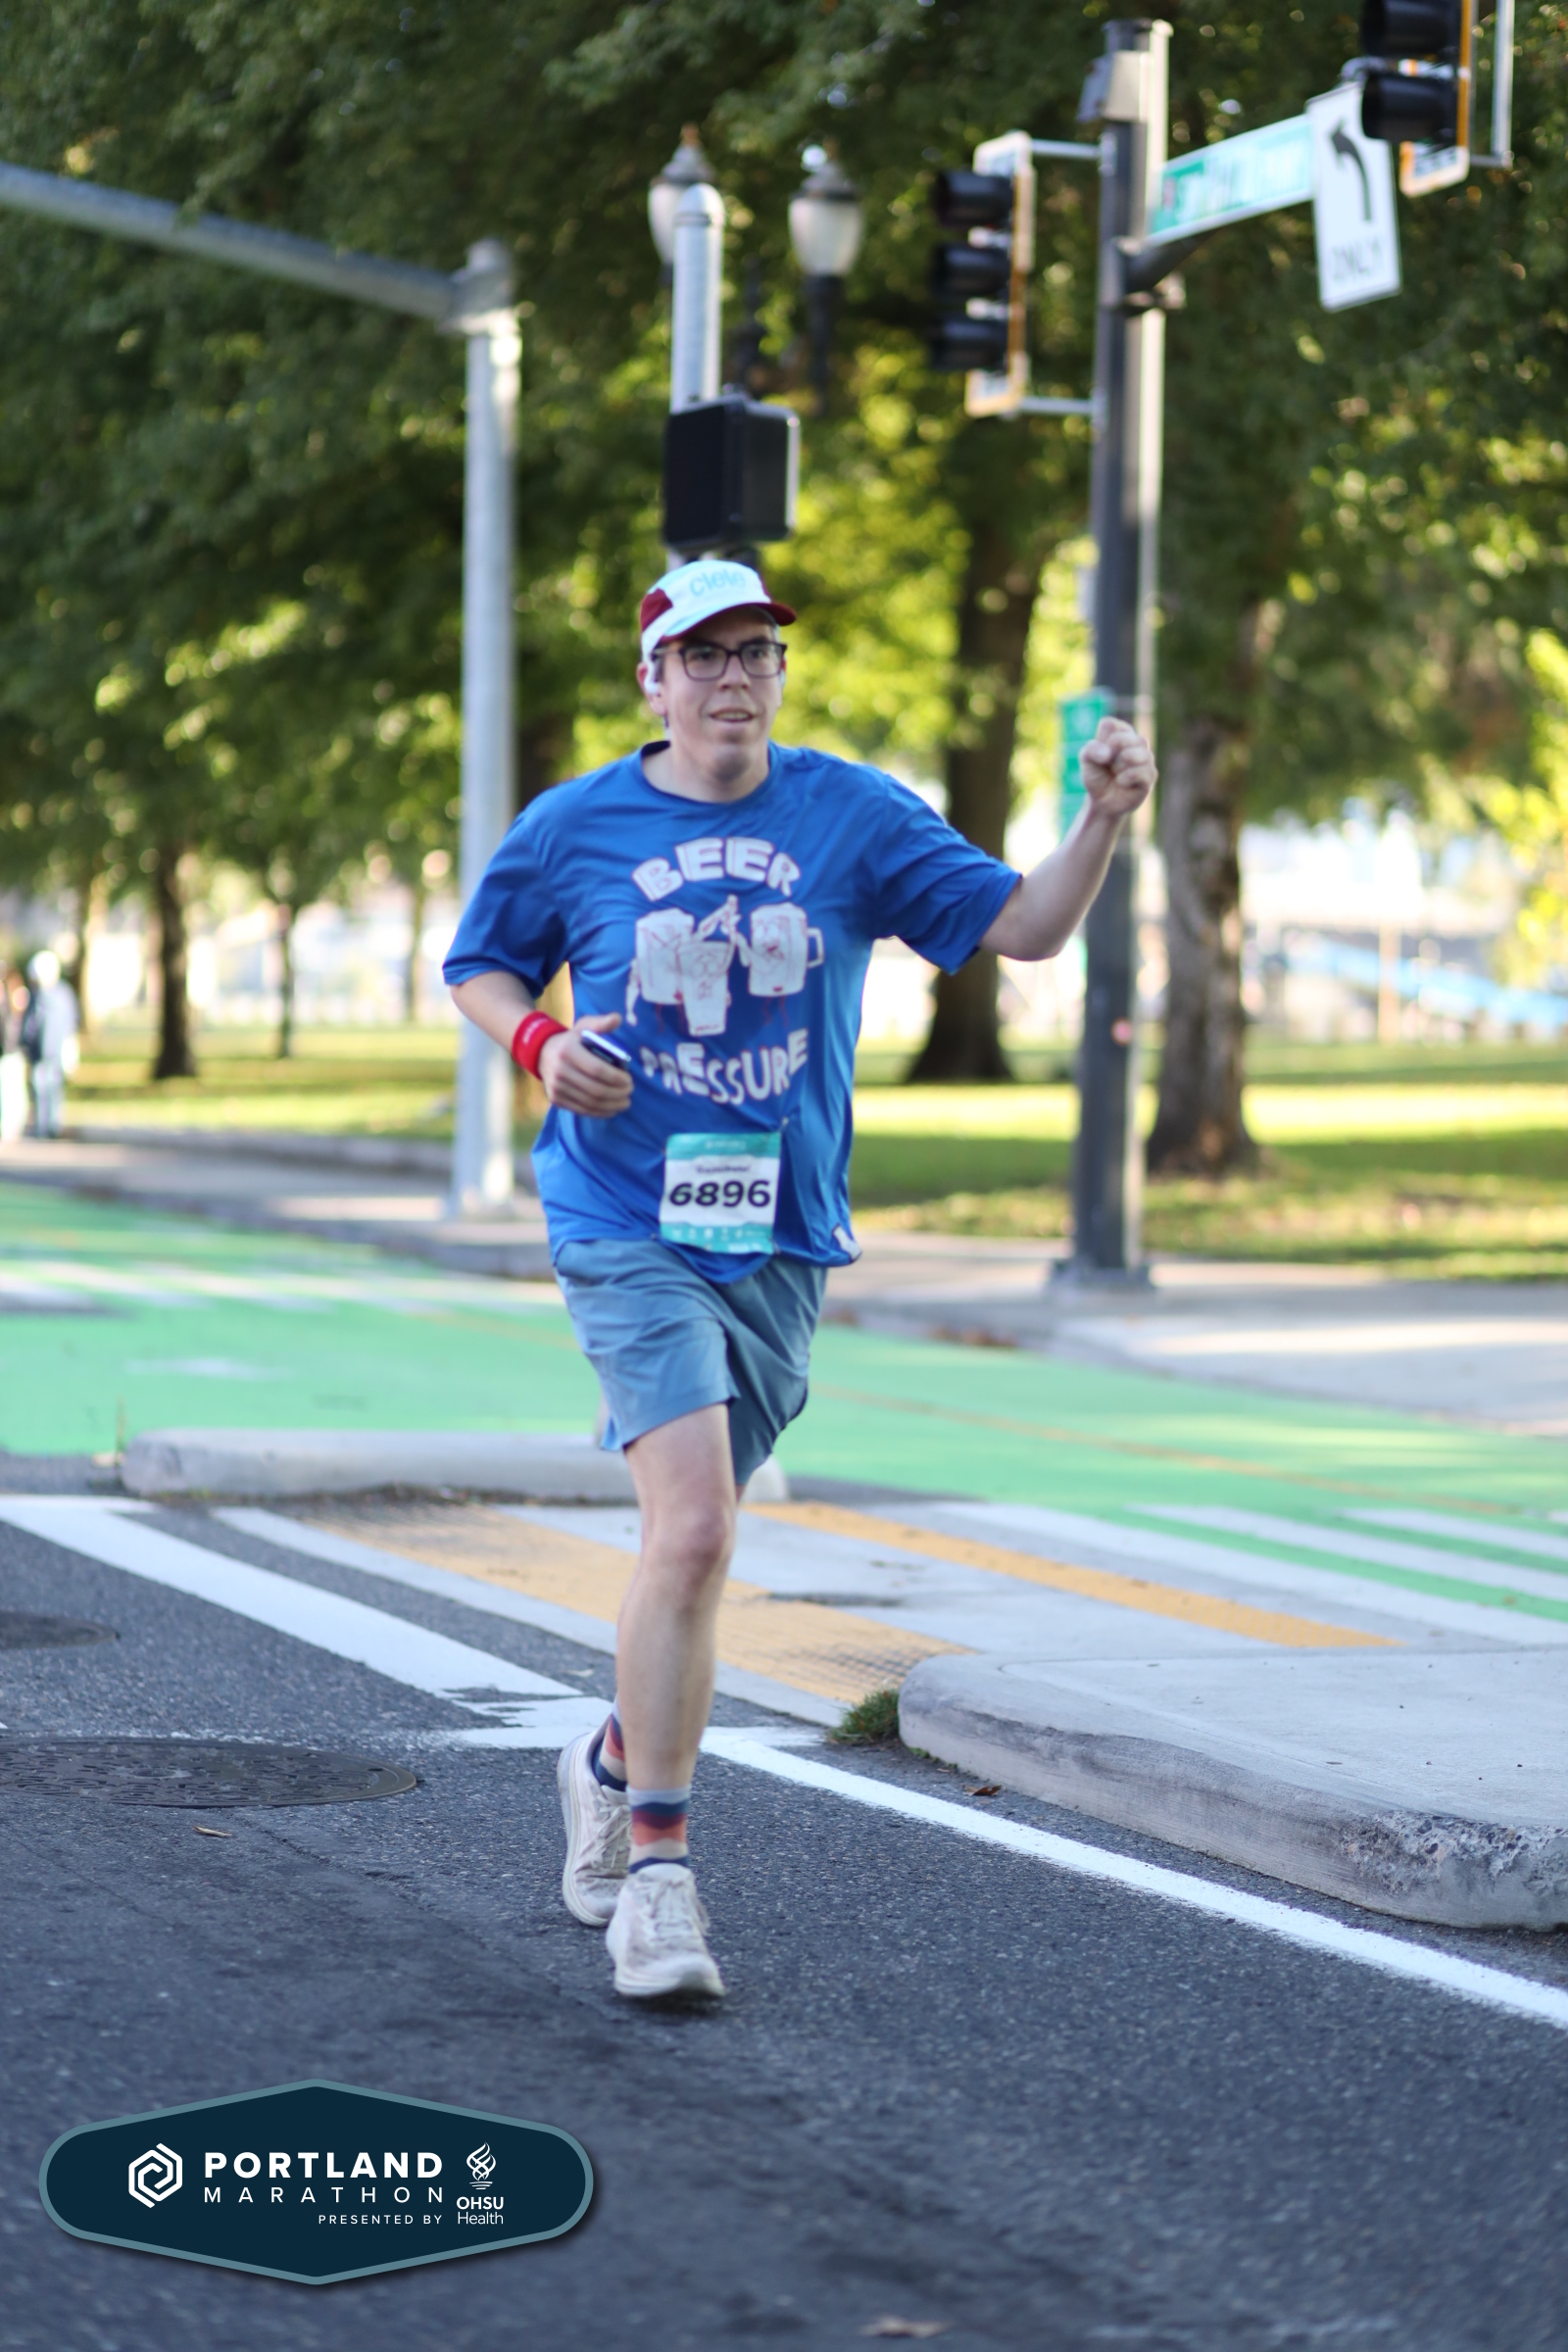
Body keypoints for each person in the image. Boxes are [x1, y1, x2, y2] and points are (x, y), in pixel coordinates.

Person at [446, 558, 1154, 2001]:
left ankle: (607, 1764)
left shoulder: (853, 814)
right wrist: (538, 1045)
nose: (733, 678)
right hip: (622, 1215)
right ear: (652, 679)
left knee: (697, 1543)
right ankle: (659, 1878)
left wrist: (1099, 821)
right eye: (703, 655)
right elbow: (481, 965)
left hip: (779, 1235)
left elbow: (1024, 928)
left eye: (756, 653)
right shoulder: (573, 825)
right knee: (696, 1528)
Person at [24, 950, 79, 1139]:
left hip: (52, 1049)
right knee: (43, 1087)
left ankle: (51, 1124)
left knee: (51, 1087)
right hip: (41, 1050)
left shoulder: (57, 994)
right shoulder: (44, 994)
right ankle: (45, 1125)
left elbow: (68, 1023)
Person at [0, 966, 29, 1144]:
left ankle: (11, 1126)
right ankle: (10, 1126)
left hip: (12, 1049)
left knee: (11, 1091)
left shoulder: (16, 997)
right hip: (9, 1049)